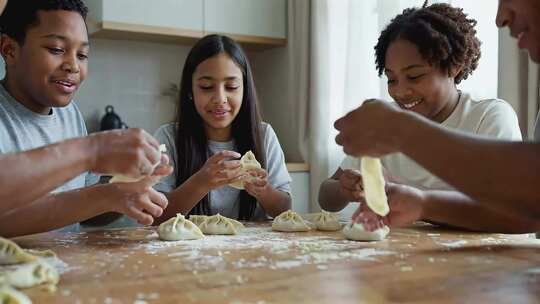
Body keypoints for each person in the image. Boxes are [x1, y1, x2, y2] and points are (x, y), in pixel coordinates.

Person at [320, 2, 539, 233]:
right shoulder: (386, 122)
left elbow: (516, 211)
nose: (400, 91)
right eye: (392, 79)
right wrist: (345, 189)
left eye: (415, 77)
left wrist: (422, 202)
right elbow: (325, 195)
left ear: (454, 67)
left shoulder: (488, 116)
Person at [0, 0, 171, 237]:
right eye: (57, 49)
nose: (73, 66)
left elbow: (82, 208)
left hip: (61, 269)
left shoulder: (69, 115)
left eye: (82, 54)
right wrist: (94, 150)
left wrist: (121, 193)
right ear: (9, 50)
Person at [153, 34, 291, 223]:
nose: (220, 98)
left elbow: (284, 209)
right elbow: (155, 215)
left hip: (250, 249)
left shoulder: (263, 135)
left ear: (245, 90)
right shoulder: (168, 138)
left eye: (231, 86)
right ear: (190, 91)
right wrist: (200, 183)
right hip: (188, 250)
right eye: (206, 86)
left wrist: (264, 190)